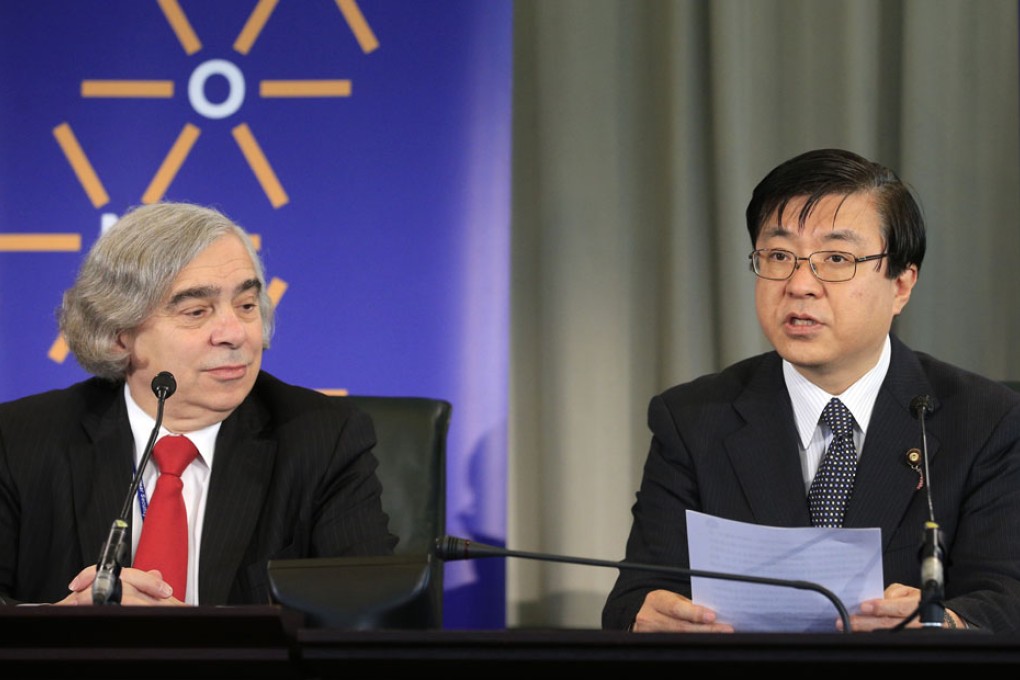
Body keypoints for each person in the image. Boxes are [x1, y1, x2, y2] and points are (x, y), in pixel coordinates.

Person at [602, 148, 1020, 633]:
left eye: (836, 259)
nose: (800, 284)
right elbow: (635, 596)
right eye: (779, 256)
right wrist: (647, 615)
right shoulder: (693, 418)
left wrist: (943, 624)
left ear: (901, 285)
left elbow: (1007, 599)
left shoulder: (986, 421)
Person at [0, 201, 397, 606]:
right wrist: (55, 624)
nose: (234, 333)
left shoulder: (323, 439)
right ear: (119, 334)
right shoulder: (20, 442)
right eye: (196, 311)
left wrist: (209, 644)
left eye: (246, 306)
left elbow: (364, 617)